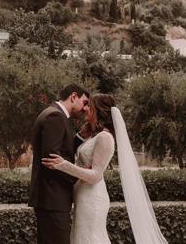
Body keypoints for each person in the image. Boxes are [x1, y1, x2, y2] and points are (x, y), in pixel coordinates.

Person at [42, 94, 168, 244]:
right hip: (83, 196)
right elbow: (76, 151)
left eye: (89, 105)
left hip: (92, 198)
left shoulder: (105, 138)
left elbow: (95, 176)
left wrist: (63, 165)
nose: (85, 108)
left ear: (99, 110)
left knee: (90, 239)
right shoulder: (92, 135)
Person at [28, 84, 90, 244]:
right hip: (53, 198)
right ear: (74, 96)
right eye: (84, 102)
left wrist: (81, 137)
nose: (85, 109)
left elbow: (62, 153)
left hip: (51, 198)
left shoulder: (53, 114)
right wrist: (80, 176)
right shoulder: (55, 116)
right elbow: (52, 160)